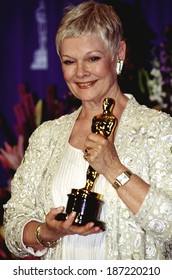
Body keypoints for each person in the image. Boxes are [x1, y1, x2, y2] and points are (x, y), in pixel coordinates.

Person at [3, 0, 172, 260]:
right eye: (70, 62)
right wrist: (47, 232)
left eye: (92, 58)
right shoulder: (47, 136)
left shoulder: (158, 130)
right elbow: (14, 225)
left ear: (119, 53)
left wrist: (115, 169)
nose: (80, 73)